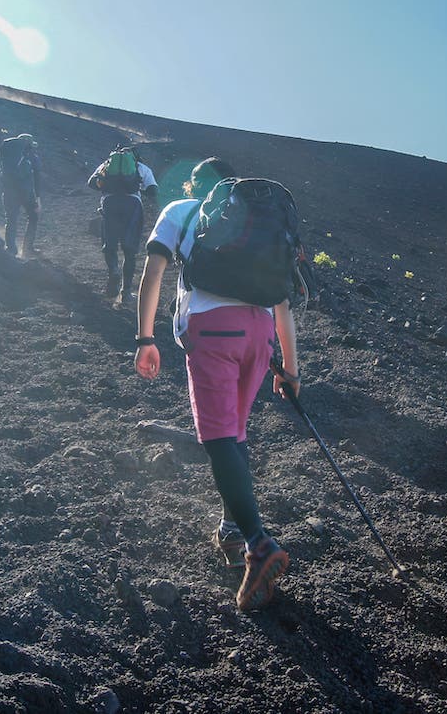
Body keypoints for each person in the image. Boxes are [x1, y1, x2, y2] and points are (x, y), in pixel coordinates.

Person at [133, 157, 300, 612]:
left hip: (213, 329)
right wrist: (289, 366)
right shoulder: (253, 220)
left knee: (219, 437)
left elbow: (155, 273)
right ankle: (230, 528)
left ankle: (258, 544)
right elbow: (282, 297)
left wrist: (146, 337)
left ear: (194, 184)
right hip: (260, 333)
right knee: (236, 433)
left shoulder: (181, 211)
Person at [87, 145, 158, 301]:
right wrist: (137, 189)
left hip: (109, 202)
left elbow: (91, 183)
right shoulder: (141, 167)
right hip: (133, 204)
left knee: (110, 244)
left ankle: (113, 270)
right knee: (130, 250)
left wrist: (108, 186)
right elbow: (153, 191)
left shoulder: (106, 165)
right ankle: (126, 292)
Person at [0, 133, 42, 258]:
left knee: (11, 219)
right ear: (29, 144)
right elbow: (37, 178)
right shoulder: (32, 157)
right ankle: (27, 248)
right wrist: (37, 197)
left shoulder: (8, 156)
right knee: (33, 216)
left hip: (9, 192)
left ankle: (11, 249)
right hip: (26, 193)